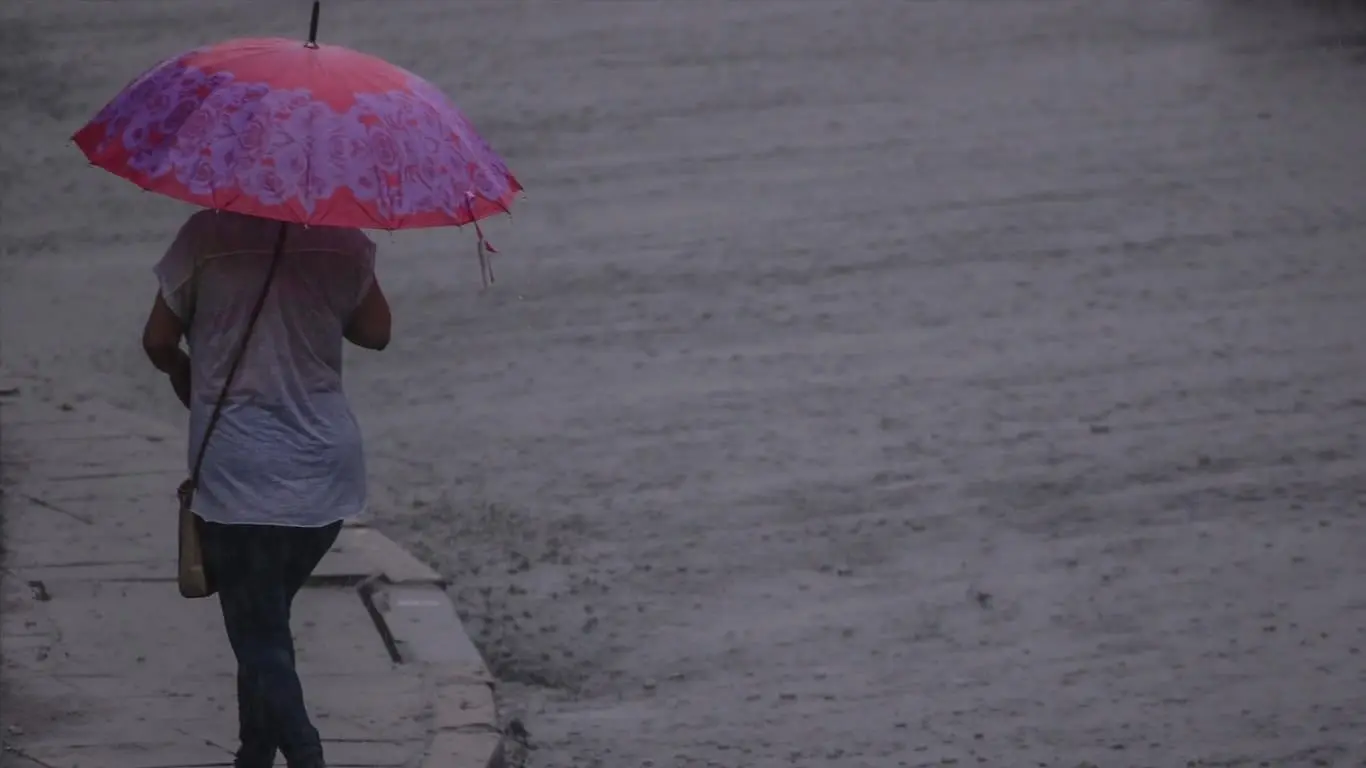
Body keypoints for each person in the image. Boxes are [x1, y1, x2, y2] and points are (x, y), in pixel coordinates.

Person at [140, 208, 392, 768]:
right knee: (265, 621)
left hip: (239, 469)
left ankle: (305, 754)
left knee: (258, 634)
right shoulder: (343, 238)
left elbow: (158, 340)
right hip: (324, 471)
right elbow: (377, 332)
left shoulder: (204, 235)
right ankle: (253, 752)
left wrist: (190, 380)